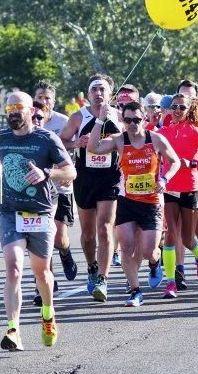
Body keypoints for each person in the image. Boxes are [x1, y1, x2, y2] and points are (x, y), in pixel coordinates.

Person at [0, 92, 75, 351]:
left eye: (18, 108)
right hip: (10, 213)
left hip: (39, 214)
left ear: (30, 111)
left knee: (42, 274)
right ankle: (13, 330)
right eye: (9, 107)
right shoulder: (2, 137)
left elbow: (70, 171)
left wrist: (46, 172)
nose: (12, 111)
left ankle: (48, 314)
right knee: (13, 269)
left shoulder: (46, 139)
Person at [89, 101, 181, 306]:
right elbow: (93, 147)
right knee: (127, 246)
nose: (132, 124)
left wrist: (164, 180)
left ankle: (155, 263)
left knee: (149, 250)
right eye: (128, 120)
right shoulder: (119, 141)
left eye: (137, 120)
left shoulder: (155, 139)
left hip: (152, 202)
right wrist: (100, 120)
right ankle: (135, 290)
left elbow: (175, 161)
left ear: (144, 119)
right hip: (127, 201)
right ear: (123, 120)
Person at [59, 75, 122, 302]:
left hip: (110, 177)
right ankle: (92, 266)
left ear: (110, 94)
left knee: (105, 227)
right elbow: (61, 140)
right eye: (94, 89)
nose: (98, 93)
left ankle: (103, 280)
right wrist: (76, 143)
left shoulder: (118, 116)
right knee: (87, 234)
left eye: (102, 89)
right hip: (85, 178)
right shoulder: (78, 116)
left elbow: (127, 140)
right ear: (88, 94)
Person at [158, 93, 198, 298]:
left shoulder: (194, 131)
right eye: (174, 106)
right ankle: (171, 282)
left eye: (182, 107)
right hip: (169, 188)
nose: (177, 110)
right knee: (170, 235)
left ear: (189, 110)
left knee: (187, 237)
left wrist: (192, 163)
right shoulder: (162, 131)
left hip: (190, 187)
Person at [34, 82, 78, 293]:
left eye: (47, 97)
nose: (44, 101)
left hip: (60, 185)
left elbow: (74, 145)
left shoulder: (63, 121)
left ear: (54, 99)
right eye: (40, 97)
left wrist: (69, 170)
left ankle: (66, 252)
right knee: (44, 236)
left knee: (59, 237)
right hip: (39, 188)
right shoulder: (29, 121)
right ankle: (46, 282)